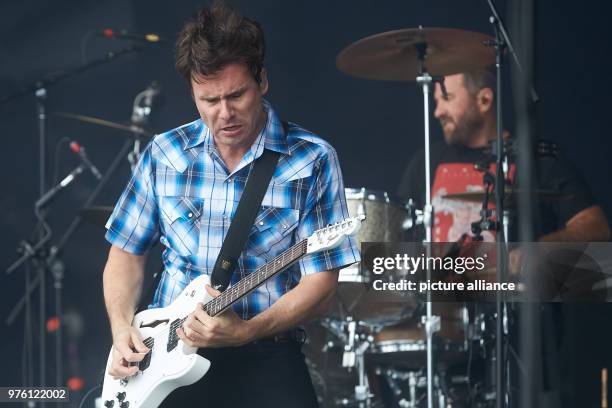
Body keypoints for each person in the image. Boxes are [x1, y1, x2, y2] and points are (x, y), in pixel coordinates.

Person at [102, 2, 359, 407]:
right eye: (209, 100)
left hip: (266, 349)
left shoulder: (312, 159)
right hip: (164, 351)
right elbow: (125, 253)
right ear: (192, 93)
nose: (224, 113)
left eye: (236, 94)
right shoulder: (165, 153)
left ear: (263, 81)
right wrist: (121, 329)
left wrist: (248, 329)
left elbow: (320, 284)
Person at [398, 67, 610, 244]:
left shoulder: (536, 159)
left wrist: (537, 254)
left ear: (484, 100)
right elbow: (395, 233)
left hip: (508, 292)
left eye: (447, 98)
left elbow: (596, 227)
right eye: (436, 101)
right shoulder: (426, 162)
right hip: (438, 292)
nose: (437, 112)